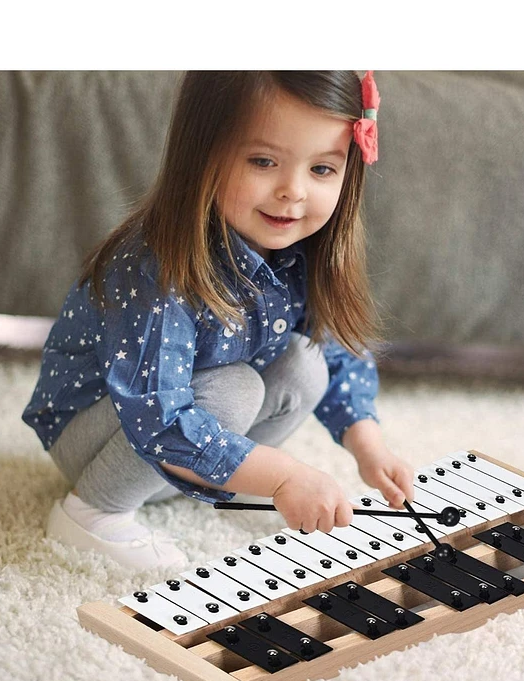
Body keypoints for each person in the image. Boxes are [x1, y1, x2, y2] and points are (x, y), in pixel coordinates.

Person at [22, 71, 415, 571]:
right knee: (235, 389)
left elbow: (336, 353)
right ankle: (92, 510)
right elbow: (157, 414)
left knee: (306, 363)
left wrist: (370, 448)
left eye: (321, 170)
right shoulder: (156, 263)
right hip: (99, 432)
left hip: (180, 437)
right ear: (203, 154)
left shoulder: (301, 247)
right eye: (263, 161)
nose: (292, 192)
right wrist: (282, 476)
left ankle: (218, 478)